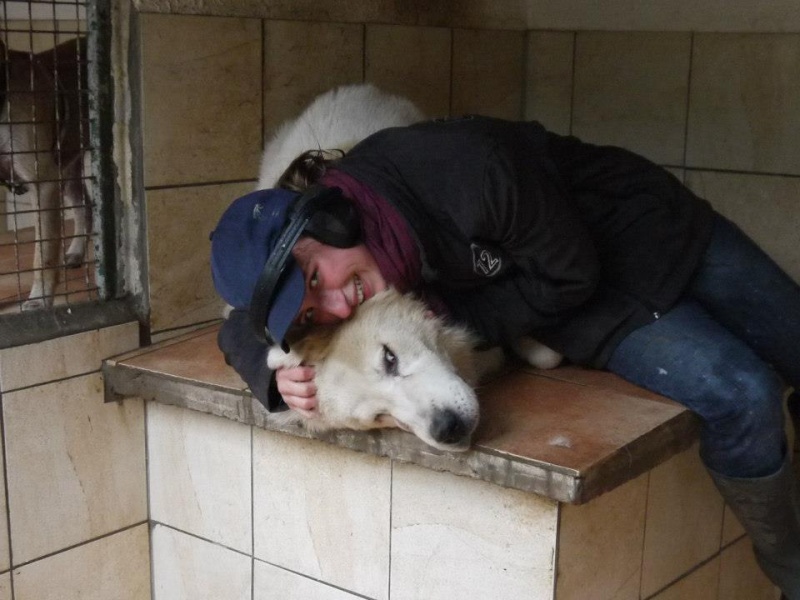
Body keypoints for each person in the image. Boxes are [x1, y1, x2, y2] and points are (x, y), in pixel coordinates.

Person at [210, 115, 800, 597]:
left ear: (329, 220)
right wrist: (276, 386)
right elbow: (239, 327)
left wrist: (455, 321)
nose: (336, 303)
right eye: (312, 310)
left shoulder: (460, 169)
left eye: (316, 275)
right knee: (743, 394)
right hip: (599, 312)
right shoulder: (351, 277)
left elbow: (571, 270)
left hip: (644, 232)